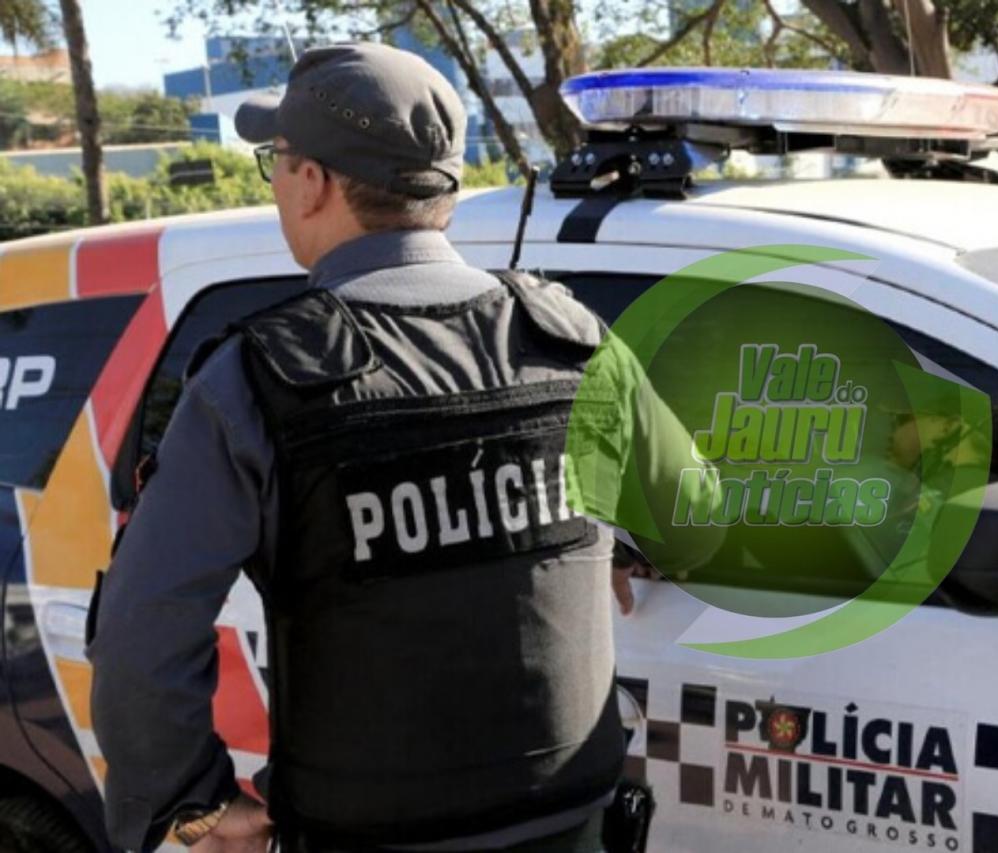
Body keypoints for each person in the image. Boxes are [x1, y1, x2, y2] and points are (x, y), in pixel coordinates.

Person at [88, 41, 713, 853]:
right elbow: (692, 519)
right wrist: (614, 536)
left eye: (275, 158)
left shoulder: (255, 378)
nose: (274, 179)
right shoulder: (571, 339)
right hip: (573, 824)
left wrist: (189, 804)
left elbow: (141, 639)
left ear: (312, 182)